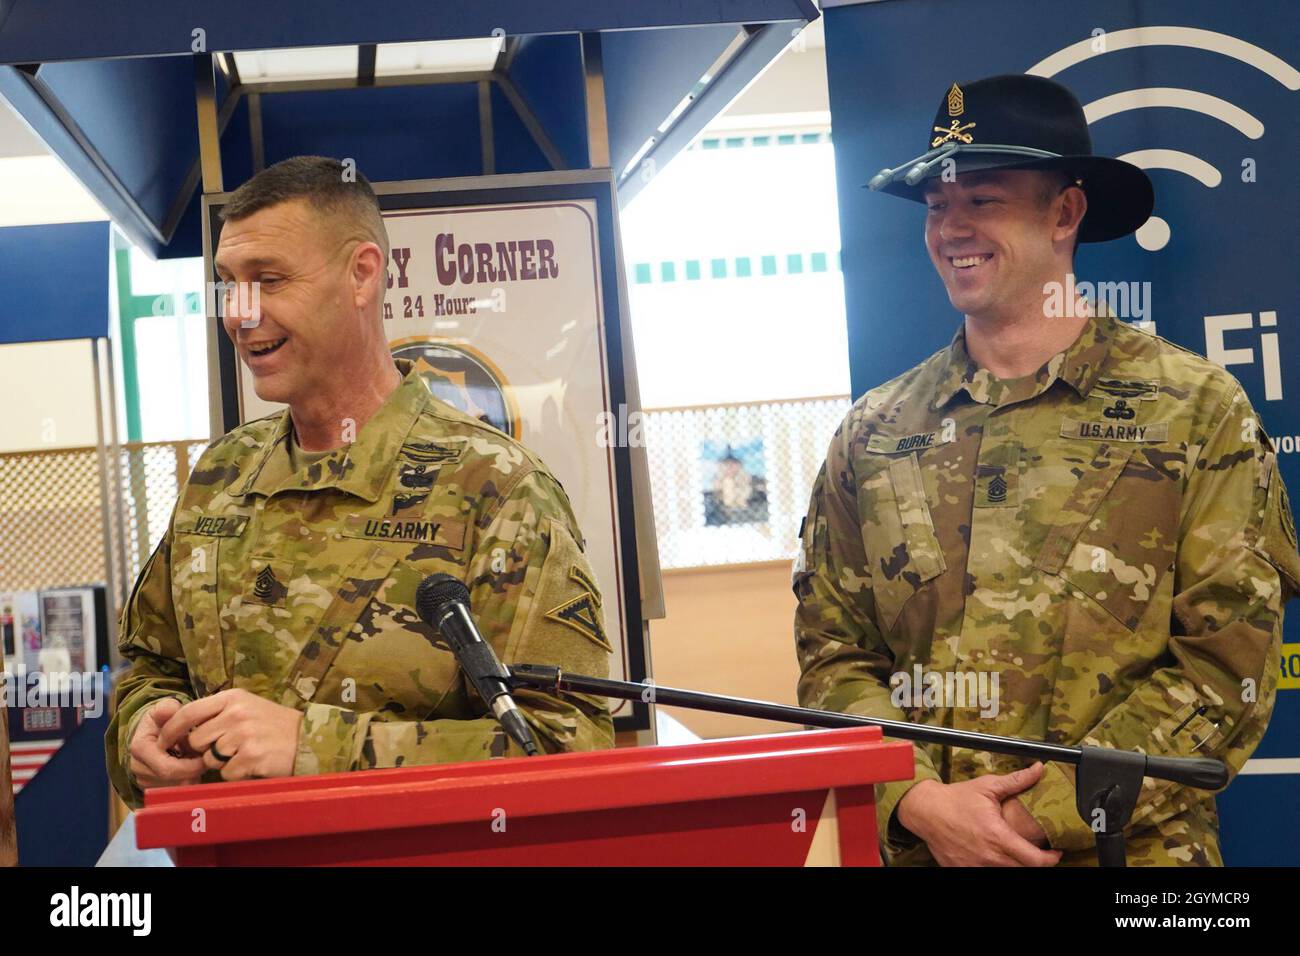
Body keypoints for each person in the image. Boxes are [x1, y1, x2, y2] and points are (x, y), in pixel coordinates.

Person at [793, 75, 1300, 866]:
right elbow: (836, 656)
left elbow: (1224, 668)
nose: (951, 228)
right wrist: (918, 802)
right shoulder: (874, 433)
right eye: (936, 206)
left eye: (982, 200)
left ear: (1064, 213)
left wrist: (1030, 817)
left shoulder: (1194, 411)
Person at [106, 156, 614, 808]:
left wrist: (310, 749)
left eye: (269, 280)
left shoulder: (498, 491)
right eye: (228, 283)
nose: (238, 312)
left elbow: (568, 748)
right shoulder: (219, 479)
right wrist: (143, 732)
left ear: (361, 275)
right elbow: (149, 667)